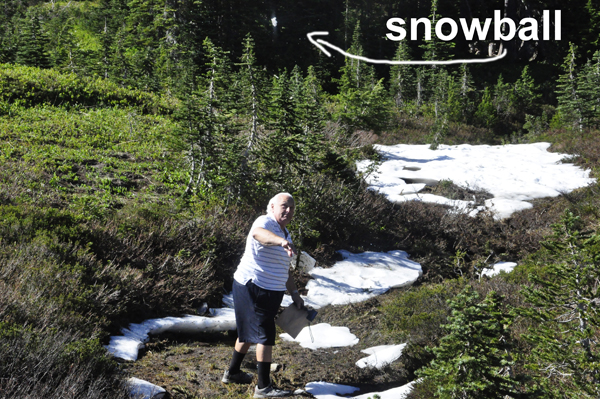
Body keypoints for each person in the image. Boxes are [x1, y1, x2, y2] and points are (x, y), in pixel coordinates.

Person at [222, 192, 304, 398]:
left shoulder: (286, 234)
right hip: (253, 286)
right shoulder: (265, 222)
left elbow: (284, 270)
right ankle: (264, 387)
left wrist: (294, 294)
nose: (288, 210)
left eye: (292, 207)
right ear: (272, 206)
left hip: (270, 291)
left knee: (249, 332)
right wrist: (279, 242)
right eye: (284, 206)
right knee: (265, 335)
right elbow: (258, 234)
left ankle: (232, 373)